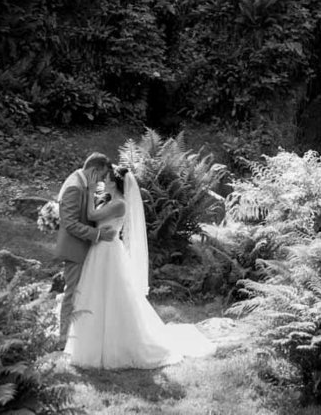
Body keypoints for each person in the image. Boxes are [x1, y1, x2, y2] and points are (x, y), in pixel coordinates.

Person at [66, 164, 216, 369]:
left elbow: (92, 216)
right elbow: (92, 218)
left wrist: (91, 191)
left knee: (112, 296)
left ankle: (119, 345)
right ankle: (89, 342)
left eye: (106, 180)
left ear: (115, 183)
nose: (103, 182)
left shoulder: (119, 204)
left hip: (109, 253)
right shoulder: (109, 200)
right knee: (94, 294)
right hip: (98, 251)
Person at [54, 152, 116, 346]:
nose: (101, 181)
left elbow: (93, 211)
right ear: (93, 170)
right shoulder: (74, 187)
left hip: (87, 248)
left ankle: (82, 337)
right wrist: (98, 234)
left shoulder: (85, 183)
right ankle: (62, 339)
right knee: (72, 294)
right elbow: (70, 224)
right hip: (75, 249)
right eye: (100, 176)